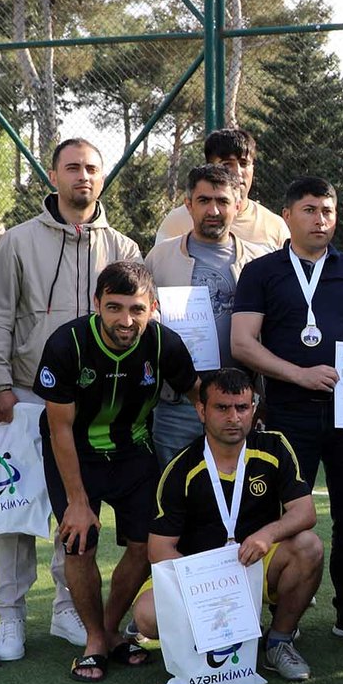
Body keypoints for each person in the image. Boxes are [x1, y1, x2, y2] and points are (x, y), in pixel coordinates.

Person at [0, 137, 142, 660]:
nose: (83, 176)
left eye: (92, 168)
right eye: (72, 167)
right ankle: (10, 616)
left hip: (91, 405)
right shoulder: (17, 242)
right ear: (53, 176)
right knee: (15, 511)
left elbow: (137, 323)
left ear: (102, 176)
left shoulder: (123, 247)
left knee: (75, 509)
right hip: (26, 392)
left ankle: (67, 609)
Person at [231, 176, 343, 637]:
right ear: (287, 216)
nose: (320, 220)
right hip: (288, 411)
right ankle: (272, 617)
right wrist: (299, 374)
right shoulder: (261, 272)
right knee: (281, 513)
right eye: (309, 210)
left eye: (327, 211)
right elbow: (242, 343)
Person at [35, 260, 198, 682]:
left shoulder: (164, 344)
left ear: (153, 308)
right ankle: (93, 639)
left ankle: (108, 629)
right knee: (79, 543)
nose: (126, 320)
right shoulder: (67, 344)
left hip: (133, 452)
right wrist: (76, 501)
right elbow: (59, 427)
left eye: (137, 309)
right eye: (115, 307)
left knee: (147, 544)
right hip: (76, 454)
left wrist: (240, 417)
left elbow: (200, 395)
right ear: (97, 304)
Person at [134, 368, 324, 681]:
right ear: (201, 410)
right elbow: (159, 549)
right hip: (199, 574)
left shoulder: (274, 447)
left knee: (309, 546)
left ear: (253, 408)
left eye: (242, 407)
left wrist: (267, 534)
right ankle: (213, 636)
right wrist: (207, 585)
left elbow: (304, 511)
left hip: (253, 564)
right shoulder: (181, 468)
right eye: (222, 408)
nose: (234, 418)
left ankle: (278, 641)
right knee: (147, 616)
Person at [144, 164, 267, 464]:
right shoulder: (159, 257)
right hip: (178, 404)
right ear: (189, 204)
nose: (213, 210)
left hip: (239, 402)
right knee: (175, 485)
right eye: (204, 200)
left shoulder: (261, 259)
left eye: (222, 201)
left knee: (239, 486)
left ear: (237, 205)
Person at [155, 127, 289, 250]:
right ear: (209, 167)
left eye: (244, 164)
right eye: (227, 164)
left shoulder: (275, 226)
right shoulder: (178, 221)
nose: (238, 172)